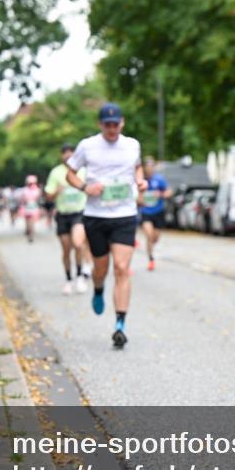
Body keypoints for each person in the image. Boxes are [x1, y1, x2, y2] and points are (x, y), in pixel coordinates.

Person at [65, 102, 146, 348]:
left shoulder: (132, 145)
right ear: (100, 124)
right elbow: (70, 172)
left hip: (124, 214)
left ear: (122, 123)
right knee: (101, 269)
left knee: (122, 268)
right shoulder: (87, 146)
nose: (112, 129)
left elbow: (137, 168)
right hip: (96, 216)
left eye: (116, 124)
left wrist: (140, 182)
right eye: (107, 124)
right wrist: (85, 187)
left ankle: (120, 324)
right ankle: (98, 288)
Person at [45, 143, 92, 295]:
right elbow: (48, 196)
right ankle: (68, 279)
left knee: (78, 244)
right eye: (64, 152)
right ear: (61, 155)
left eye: (71, 152)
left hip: (79, 213)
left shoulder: (84, 171)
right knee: (66, 249)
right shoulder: (56, 173)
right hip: (62, 214)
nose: (68, 155)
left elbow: (92, 189)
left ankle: (80, 277)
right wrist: (56, 192)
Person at [137, 156, 172, 271]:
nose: (150, 168)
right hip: (146, 212)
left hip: (158, 212)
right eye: (148, 166)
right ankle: (151, 259)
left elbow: (169, 192)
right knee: (149, 235)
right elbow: (134, 195)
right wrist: (139, 200)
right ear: (144, 168)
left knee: (155, 238)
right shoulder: (140, 180)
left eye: (152, 166)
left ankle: (151, 249)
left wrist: (160, 195)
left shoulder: (159, 179)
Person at [19, 175, 43, 243]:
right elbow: (22, 200)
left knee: (31, 222)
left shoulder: (37, 190)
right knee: (28, 222)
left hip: (34, 209)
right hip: (26, 208)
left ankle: (31, 234)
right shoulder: (25, 190)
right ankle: (29, 231)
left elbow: (39, 200)